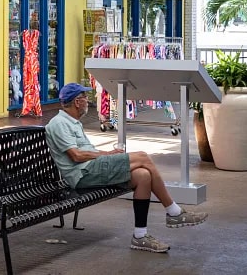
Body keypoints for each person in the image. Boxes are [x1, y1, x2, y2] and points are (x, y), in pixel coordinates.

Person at [44, 83, 208, 253]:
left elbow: (87, 151)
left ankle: (140, 236)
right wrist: (107, 155)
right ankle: (174, 212)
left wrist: (108, 152)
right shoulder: (59, 123)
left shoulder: (73, 122)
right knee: (143, 156)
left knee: (143, 175)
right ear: (77, 102)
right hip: (82, 174)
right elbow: (76, 156)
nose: (87, 100)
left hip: (92, 168)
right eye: (85, 97)